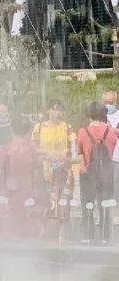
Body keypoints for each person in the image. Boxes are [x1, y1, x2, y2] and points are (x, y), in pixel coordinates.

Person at [0, 115, 43, 239]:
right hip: (28, 191)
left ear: (12, 129)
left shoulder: (5, 149)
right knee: (28, 226)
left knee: (8, 227)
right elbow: (38, 174)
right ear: (27, 130)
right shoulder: (31, 150)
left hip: (9, 191)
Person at [76, 101, 117, 244]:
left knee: (87, 203)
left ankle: (87, 235)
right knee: (105, 204)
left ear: (89, 114)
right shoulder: (111, 132)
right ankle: (106, 237)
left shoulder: (82, 132)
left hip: (88, 173)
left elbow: (80, 152)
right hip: (107, 173)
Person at [32, 100, 75, 229]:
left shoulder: (67, 127)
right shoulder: (39, 127)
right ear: (48, 111)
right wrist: (49, 153)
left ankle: (62, 228)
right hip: (45, 168)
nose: (57, 113)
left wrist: (67, 153)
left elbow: (73, 146)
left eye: (60, 110)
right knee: (44, 198)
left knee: (63, 198)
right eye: (54, 109)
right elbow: (34, 148)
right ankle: (42, 228)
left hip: (62, 168)